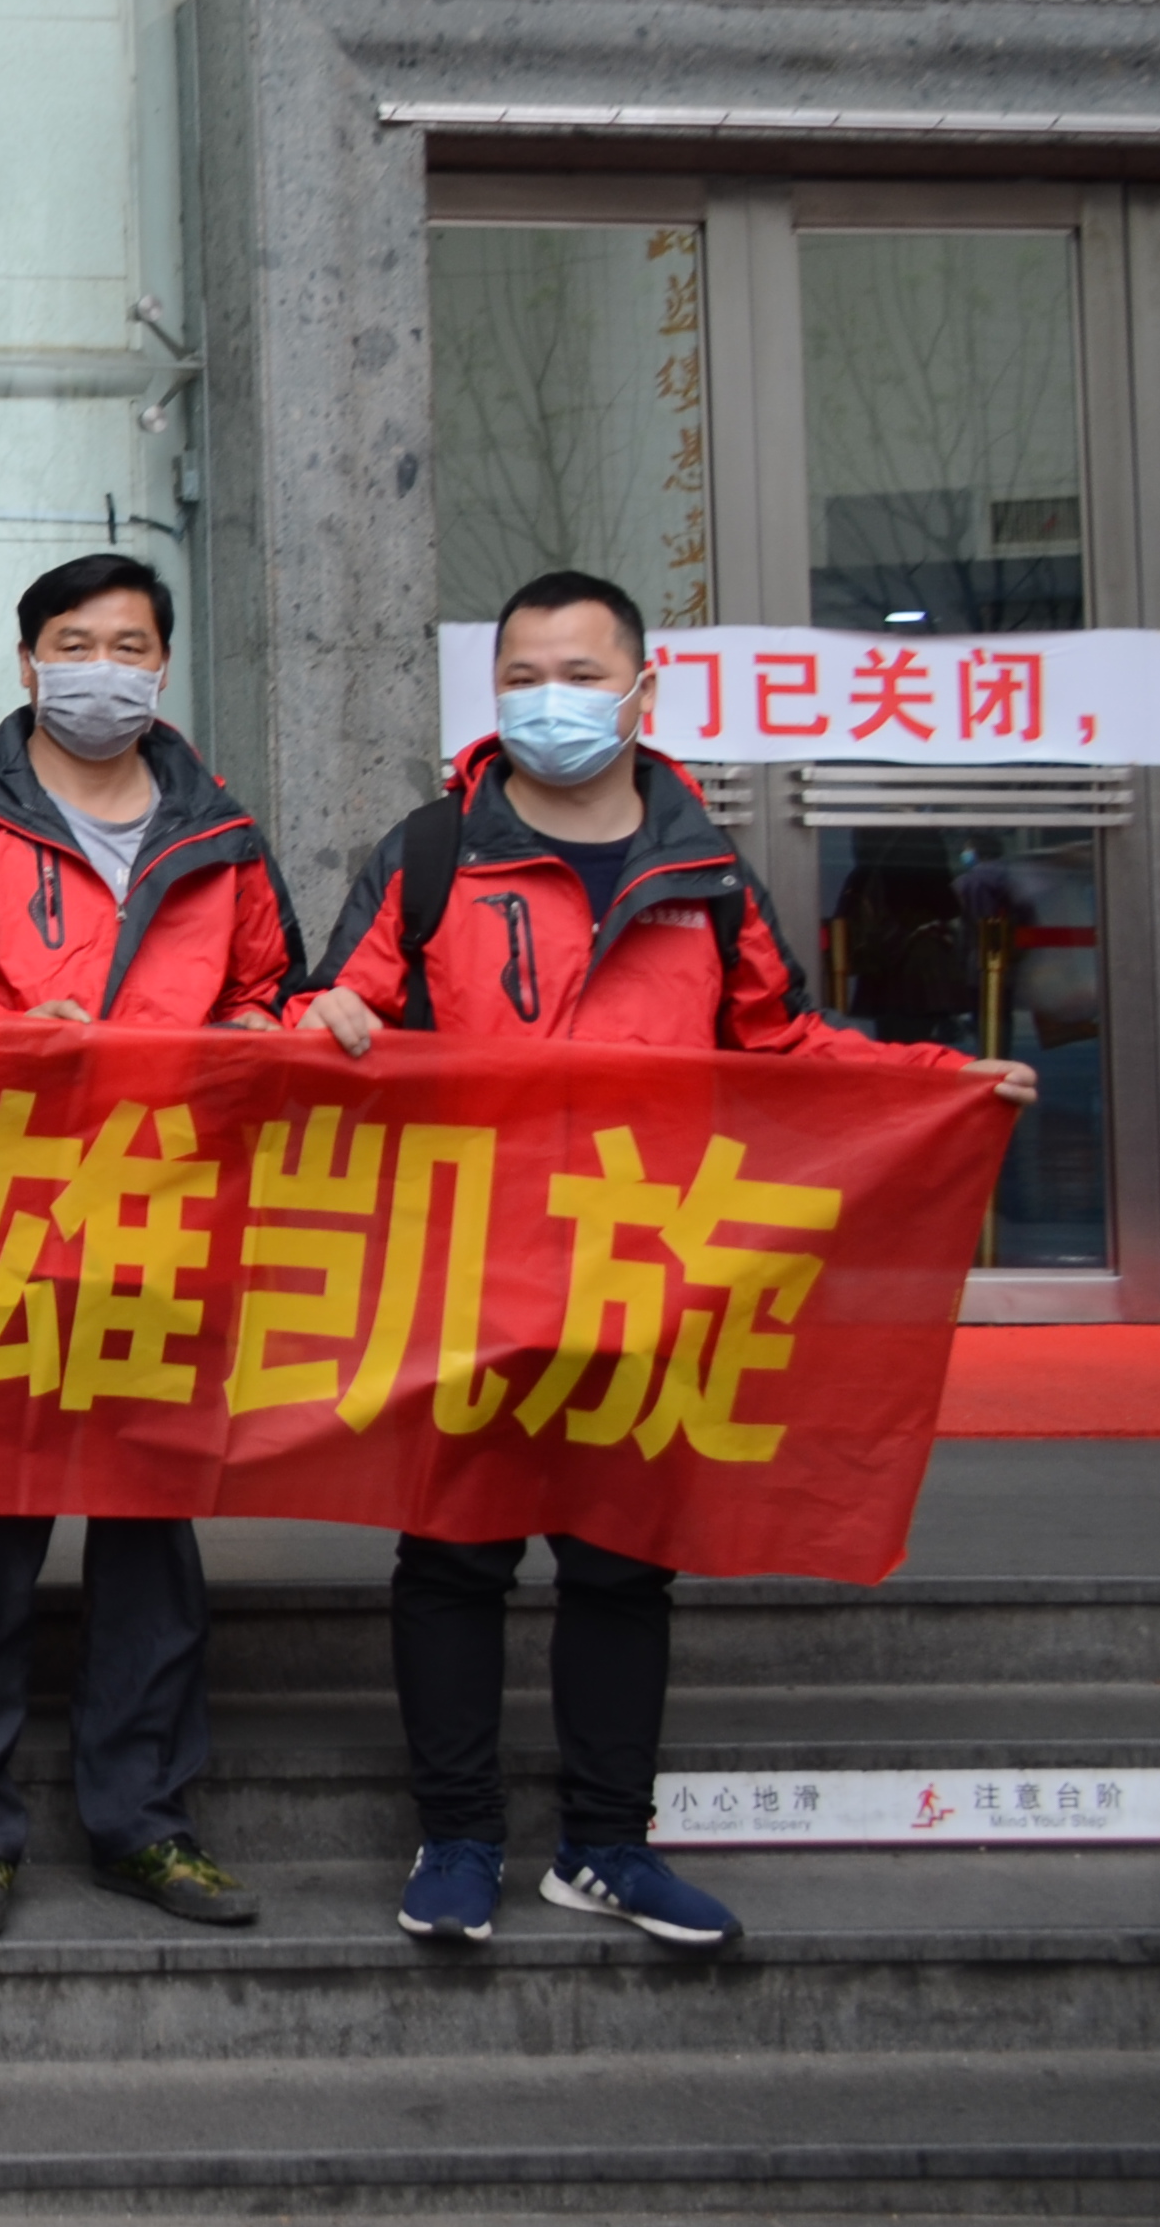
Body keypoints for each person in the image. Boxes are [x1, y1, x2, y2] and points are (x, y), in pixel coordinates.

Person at [299, 568, 1035, 1958]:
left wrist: (934, 1083)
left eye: (579, 675)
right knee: (451, 1556)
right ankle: (457, 1841)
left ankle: (604, 1846)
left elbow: (781, 1043)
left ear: (644, 690)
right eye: (521, 677)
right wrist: (319, 1015)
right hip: (472, 1264)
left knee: (622, 1563)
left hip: (645, 1260)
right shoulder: (430, 853)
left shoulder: (704, 870)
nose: (549, 702)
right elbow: (334, 1009)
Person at [0, 553, 295, 1947]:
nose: (101, 670)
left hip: (167, 1218)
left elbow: (270, 993)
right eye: (74, 644)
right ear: (25, 665)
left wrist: (257, 1033)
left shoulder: (221, 833)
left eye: (128, 646)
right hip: (1, 1217)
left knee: (148, 1539)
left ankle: (146, 1823)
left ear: (162, 666)